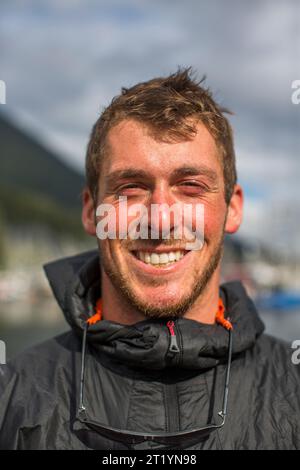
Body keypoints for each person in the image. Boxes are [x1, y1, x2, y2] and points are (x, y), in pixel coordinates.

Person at [0, 69, 299, 450]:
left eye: (190, 186)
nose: (160, 219)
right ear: (92, 212)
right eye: (131, 188)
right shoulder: (12, 399)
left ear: (232, 208)